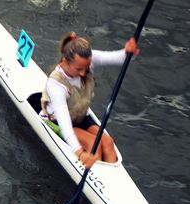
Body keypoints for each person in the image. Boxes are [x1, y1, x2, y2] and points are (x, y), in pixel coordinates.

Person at [41, 32, 139, 169]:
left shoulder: (87, 60)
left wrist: (129, 52)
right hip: (57, 122)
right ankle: (97, 177)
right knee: (94, 145)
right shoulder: (56, 85)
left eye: (86, 68)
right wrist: (80, 153)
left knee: (108, 142)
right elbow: (65, 123)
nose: (83, 73)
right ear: (64, 61)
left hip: (80, 118)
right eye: (79, 69)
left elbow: (120, 58)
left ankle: (110, 179)